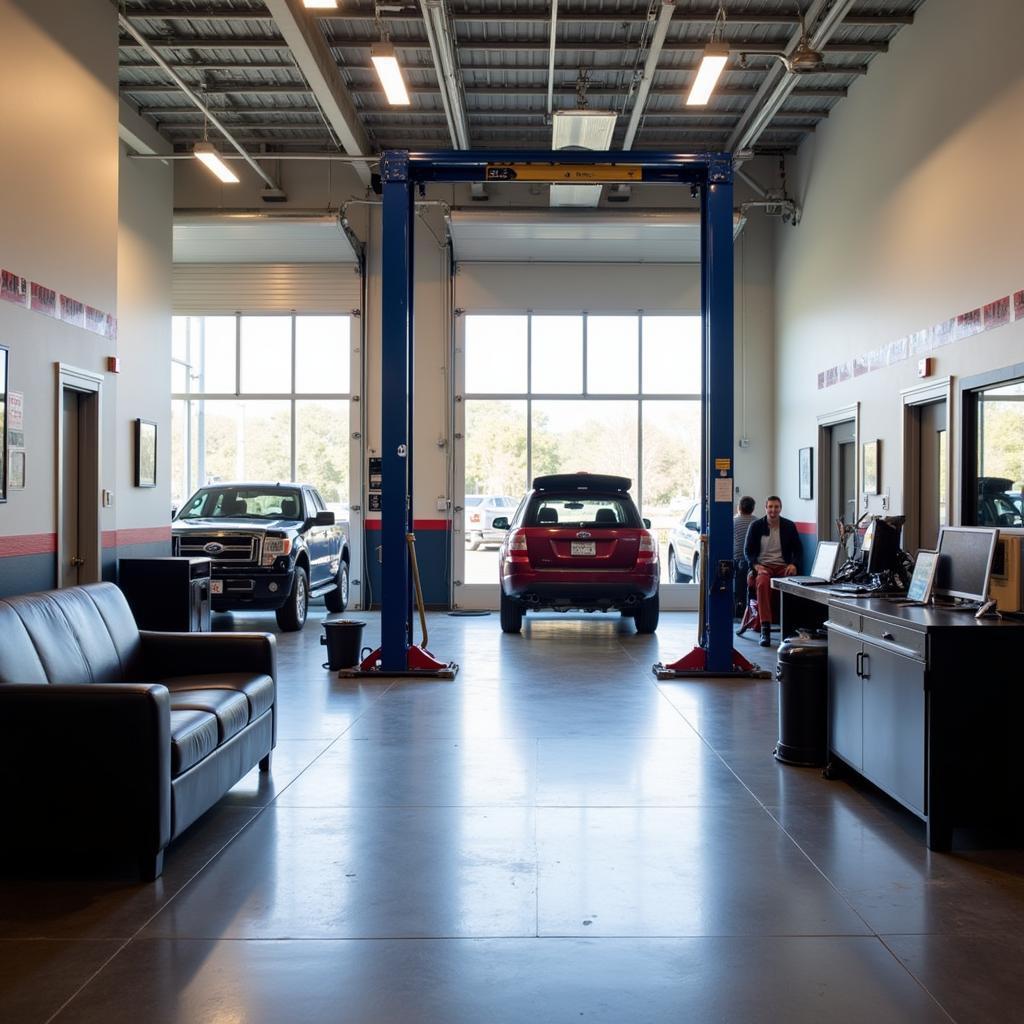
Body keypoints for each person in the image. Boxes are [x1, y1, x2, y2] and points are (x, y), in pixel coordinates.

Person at [744, 495, 801, 646]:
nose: (773, 510)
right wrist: (756, 566)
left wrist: (794, 564)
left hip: (783, 567)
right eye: (770, 507)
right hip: (764, 567)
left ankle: (791, 627)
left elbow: (798, 550)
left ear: (780, 509)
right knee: (762, 584)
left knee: (794, 584)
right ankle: (765, 629)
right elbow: (748, 551)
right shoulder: (756, 526)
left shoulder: (789, 526)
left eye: (776, 507)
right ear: (765, 508)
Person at [732, 496, 756, 616]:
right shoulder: (757, 522)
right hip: (753, 562)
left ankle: (739, 609)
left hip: (738, 559)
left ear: (739, 508)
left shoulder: (733, 522)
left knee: (738, 588)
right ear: (753, 509)